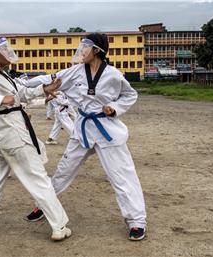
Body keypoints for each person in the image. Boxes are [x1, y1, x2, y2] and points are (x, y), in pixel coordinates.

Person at [23, 33, 147, 241]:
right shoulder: (76, 71)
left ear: (97, 50)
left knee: (122, 176)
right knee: (63, 171)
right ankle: (44, 206)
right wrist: (21, 83)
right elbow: (51, 78)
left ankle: (136, 221)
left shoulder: (113, 75)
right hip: (82, 129)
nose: (81, 51)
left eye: (85, 48)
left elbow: (130, 94)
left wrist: (115, 107)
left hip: (107, 130)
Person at [0, 37, 71, 241]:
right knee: (38, 178)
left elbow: (21, 92)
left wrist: (44, 89)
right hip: (12, 133)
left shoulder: (1, 76)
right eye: (3, 49)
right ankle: (59, 226)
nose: (8, 51)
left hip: (0, 134)